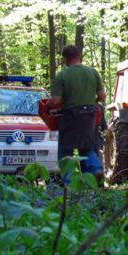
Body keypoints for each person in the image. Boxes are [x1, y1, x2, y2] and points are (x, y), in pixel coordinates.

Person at [48, 45, 106, 186]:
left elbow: (56, 101)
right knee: (86, 148)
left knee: (65, 152)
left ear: (66, 59)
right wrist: (92, 101)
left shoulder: (63, 75)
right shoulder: (93, 72)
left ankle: (69, 185)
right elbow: (102, 96)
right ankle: (96, 171)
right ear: (79, 56)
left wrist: (48, 106)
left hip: (70, 117)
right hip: (89, 117)